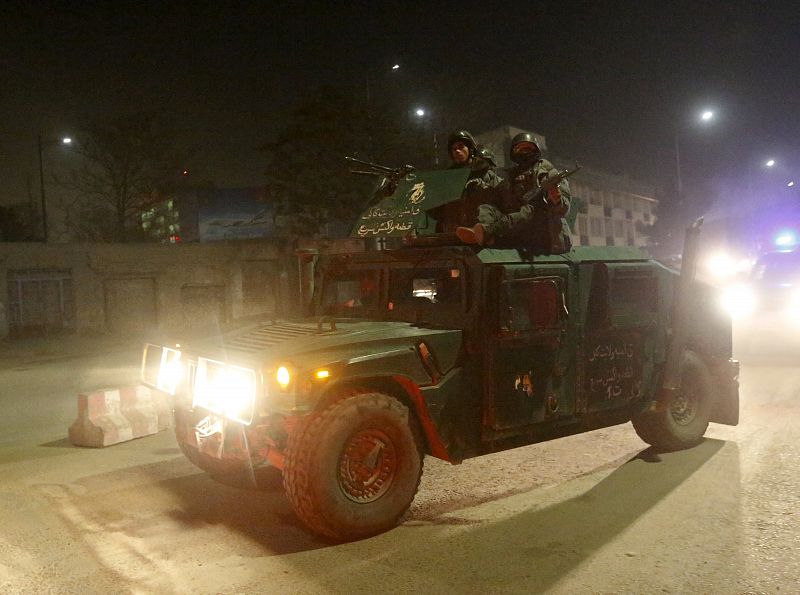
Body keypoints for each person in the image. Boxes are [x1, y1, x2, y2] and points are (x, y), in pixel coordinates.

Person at [458, 132, 573, 254]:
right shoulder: (511, 177)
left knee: (526, 212)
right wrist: (479, 186)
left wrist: (556, 200)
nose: (524, 152)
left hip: (543, 229)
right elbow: (496, 193)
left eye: (528, 148)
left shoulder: (549, 174)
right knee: (487, 208)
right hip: (519, 229)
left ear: (536, 150)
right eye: (519, 149)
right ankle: (485, 234)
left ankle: (487, 232)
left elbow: (564, 209)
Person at [431, 130, 503, 232]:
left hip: (480, 228)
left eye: (461, 147)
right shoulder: (448, 178)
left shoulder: (484, 173)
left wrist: (482, 188)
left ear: (470, 149)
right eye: (454, 149)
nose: (457, 151)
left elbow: (501, 198)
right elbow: (438, 211)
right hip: (454, 230)